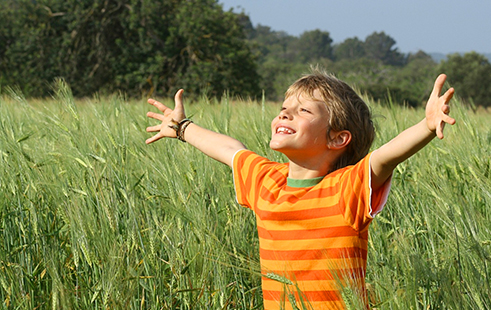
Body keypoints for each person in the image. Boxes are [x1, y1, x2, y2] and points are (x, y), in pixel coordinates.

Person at [145, 70, 455, 310]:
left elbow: (385, 157)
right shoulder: (267, 181)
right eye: (283, 108)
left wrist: (426, 127)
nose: (284, 114)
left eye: (304, 111)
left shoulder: (346, 188)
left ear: (337, 139)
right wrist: (181, 128)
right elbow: (230, 149)